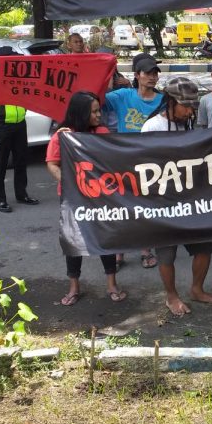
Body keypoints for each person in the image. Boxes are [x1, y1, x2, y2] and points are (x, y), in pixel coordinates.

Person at [141, 77, 212, 316]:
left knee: (205, 245)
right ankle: (172, 297)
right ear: (171, 102)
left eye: (192, 107)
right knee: (167, 253)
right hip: (162, 202)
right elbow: (143, 167)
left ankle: (197, 289)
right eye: (186, 106)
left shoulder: (188, 124)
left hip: (190, 200)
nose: (189, 111)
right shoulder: (151, 127)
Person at [45, 92, 127, 307]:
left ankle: (111, 284)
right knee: (73, 242)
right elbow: (52, 164)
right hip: (72, 199)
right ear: (81, 113)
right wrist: (71, 182)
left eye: (99, 110)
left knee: (105, 240)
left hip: (100, 198)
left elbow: (112, 160)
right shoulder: (62, 136)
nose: (99, 115)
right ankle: (74, 286)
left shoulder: (102, 132)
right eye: (94, 111)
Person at [103, 55, 163, 268]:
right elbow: (96, 99)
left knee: (145, 208)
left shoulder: (162, 100)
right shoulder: (122, 96)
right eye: (147, 73)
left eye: (155, 73)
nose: (152, 77)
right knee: (121, 206)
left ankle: (146, 249)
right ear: (137, 75)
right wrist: (104, 75)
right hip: (122, 159)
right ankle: (119, 250)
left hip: (149, 162)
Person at [0, 46, 39, 213]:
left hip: (20, 124)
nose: (16, 60)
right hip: (2, 126)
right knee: (0, 164)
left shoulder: (19, 76)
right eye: (12, 58)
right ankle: (0, 200)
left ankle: (22, 195)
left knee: (21, 161)